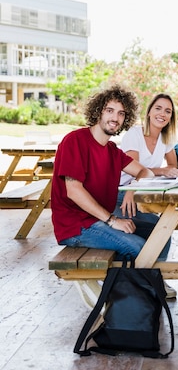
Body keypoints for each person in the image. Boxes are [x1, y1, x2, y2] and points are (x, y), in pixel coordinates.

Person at [51, 85, 169, 272]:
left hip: (98, 221)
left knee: (160, 230)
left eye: (121, 113)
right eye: (110, 110)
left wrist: (132, 188)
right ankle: (135, 292)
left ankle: (153, 284)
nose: (115, 118)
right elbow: (74, 191)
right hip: (77, 226)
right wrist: (113, 220)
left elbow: (146, 172)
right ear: (98, 111)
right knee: (138, 248)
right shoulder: (74, 141)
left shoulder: (113, 151)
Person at [113, 93, 178, 298]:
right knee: (157, 229)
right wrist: (158, 172)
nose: (162, 114)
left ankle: (155, 278)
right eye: (158, 108)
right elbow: (135, 169)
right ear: (149, 111)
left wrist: (160, 171)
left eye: (167, 111)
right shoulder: (135, 134)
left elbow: (173, 166)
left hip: (141, 194)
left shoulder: (165, 138)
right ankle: (150, 279)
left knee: (162, 229)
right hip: (121, 193)